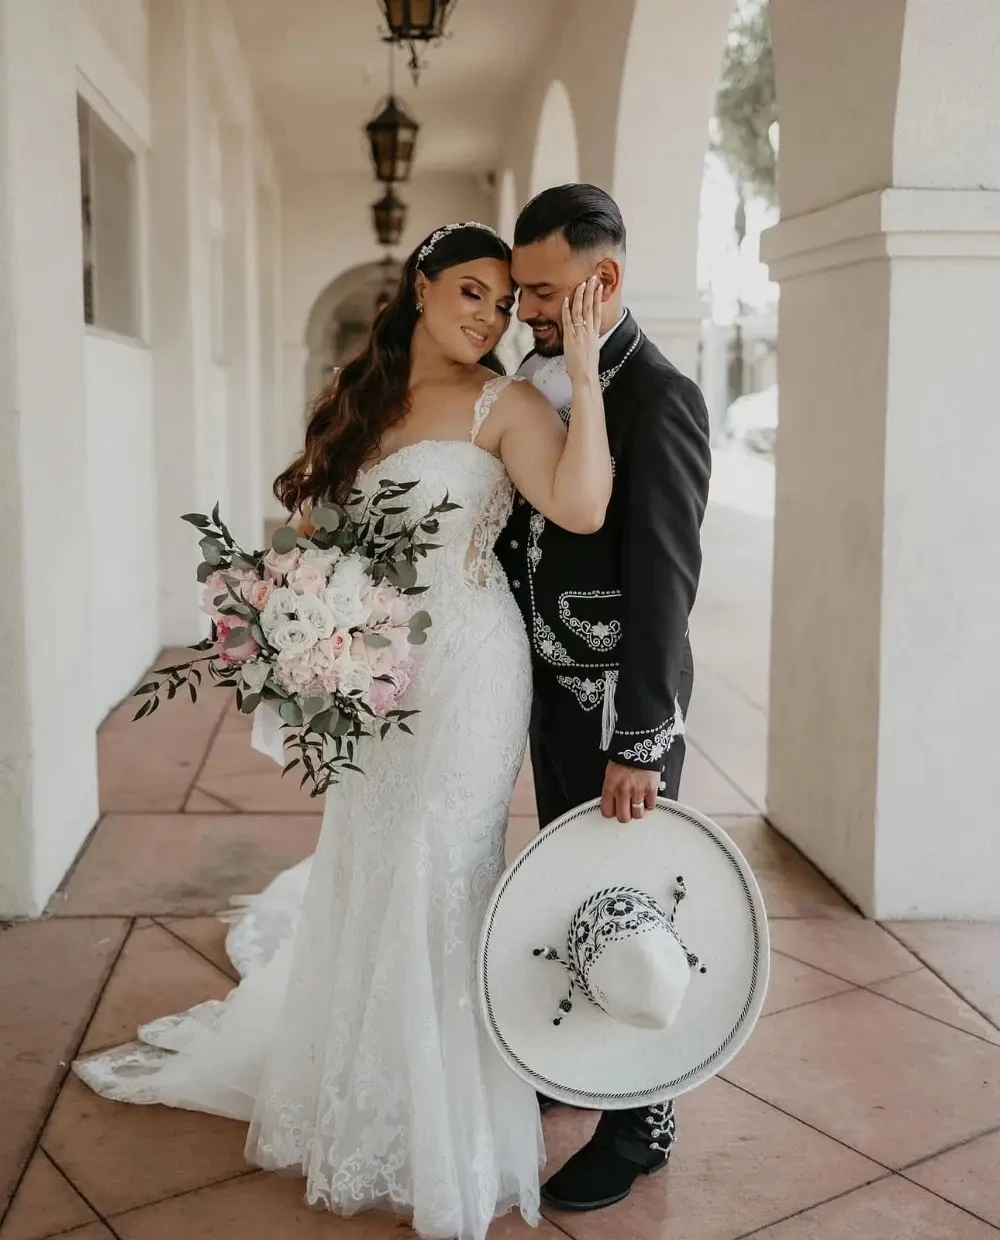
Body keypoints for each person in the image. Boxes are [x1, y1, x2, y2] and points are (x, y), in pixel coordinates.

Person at [73, 221, 613, 1240]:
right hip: (379, 667)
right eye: (471, 291)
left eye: (503, 303)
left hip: (471, 664)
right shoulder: (359, 401)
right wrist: (300, 620)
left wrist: (580, 376)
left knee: (441, 858)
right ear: (420, 286)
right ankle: (365, 1086)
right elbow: (321, 535)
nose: (489, 316)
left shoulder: (508, 403)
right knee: (370, 853)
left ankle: (441, 1119)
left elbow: (581, 507)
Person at [497, 184, 713, 1212]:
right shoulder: (538, 375)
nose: (525, 310)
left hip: (616, 708)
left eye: (542, 291)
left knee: (636, 913)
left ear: (604, 277)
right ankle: (585, 1060)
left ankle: (644, 1124)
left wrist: (641, 740)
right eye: (522, 291)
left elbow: (665, 582)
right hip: (548, 694)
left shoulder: (659, 397)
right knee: (572, 892)